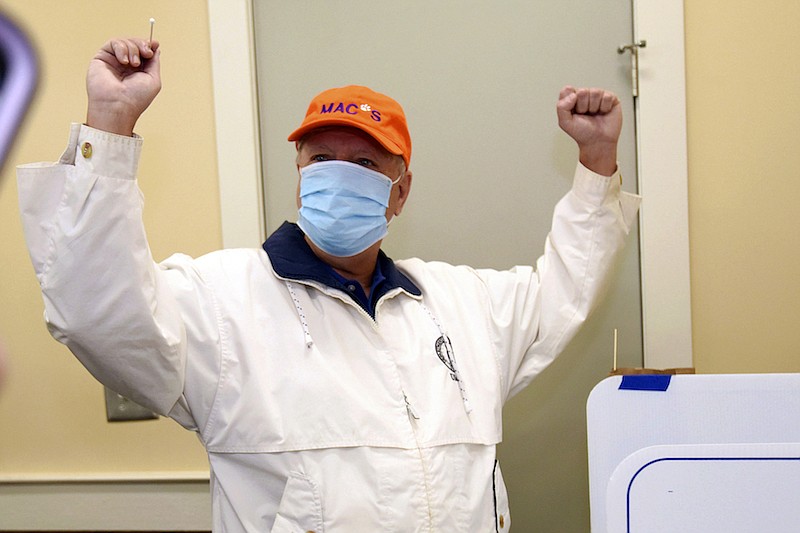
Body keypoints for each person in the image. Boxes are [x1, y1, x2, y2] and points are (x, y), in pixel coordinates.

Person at [18, 37, 640, 532]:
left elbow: (565, 293)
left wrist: (595, 164)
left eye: (366, 163)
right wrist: (110, 124)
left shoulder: (458, 305)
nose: (340, 175)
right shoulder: (220, 301)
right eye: (321, 159)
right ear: (298, 177)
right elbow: (98, 313)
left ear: (400, 191)